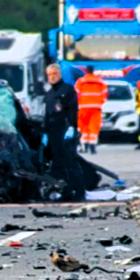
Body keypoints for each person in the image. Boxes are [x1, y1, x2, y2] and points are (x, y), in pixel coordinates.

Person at [43, 63, 83, 201]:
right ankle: (65, 193)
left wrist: (72, 127)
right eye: (49, 75)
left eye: (54, 74)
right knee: (58, 164)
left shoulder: (67, 90)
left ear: (59, 74)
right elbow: (48, 115)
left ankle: (79, 193)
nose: (52, 77)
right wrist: (45, 133)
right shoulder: (49, 94)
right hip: (53, 134)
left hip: (65, 132)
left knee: (70, 163)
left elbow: (73, 110)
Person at [74, 67, 108, 154]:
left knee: (83, 127)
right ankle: (92, 146)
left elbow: (75, 94)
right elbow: (105, 95)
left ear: (86, 71)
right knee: (94, 127)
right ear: (93, 71)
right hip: (96, 108)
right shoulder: (100, 81)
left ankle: (84, 146)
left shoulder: (81, 81)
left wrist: (79, 103)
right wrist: (99, 103)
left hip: (83, 108)